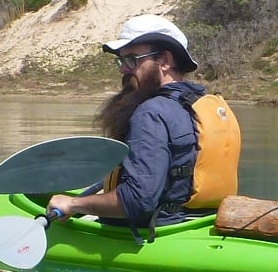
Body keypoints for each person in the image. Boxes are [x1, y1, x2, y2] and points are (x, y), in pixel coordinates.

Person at [45, 13, 240, 229]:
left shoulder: (150, 114)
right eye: (121, 60)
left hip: (157, 232)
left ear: (164, 61)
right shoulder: (198, 104)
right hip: (199, 224)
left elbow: (137, 201)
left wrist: (72, 204)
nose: (123, 69)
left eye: (132, 60)